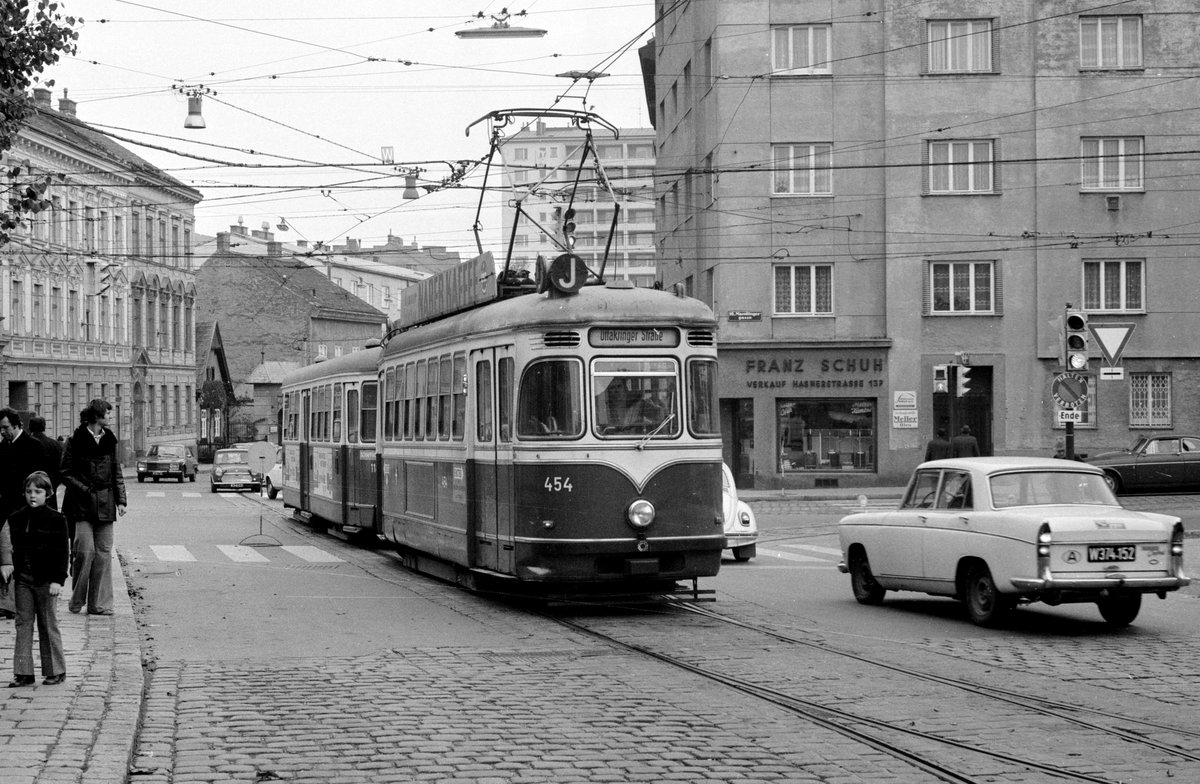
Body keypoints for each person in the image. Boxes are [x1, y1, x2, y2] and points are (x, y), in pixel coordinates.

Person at [0, 471, 70, 687]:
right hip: (23, 580)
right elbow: (8, 544)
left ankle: (55, 670)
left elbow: (62, 552)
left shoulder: (57, 520)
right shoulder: (16, 518)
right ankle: (23, 672)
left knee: (48, 624)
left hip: (47, 581)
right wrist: (7, 565)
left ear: (47, 494)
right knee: (23, 624)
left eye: (38, 492)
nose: (33, 495)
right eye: (29, 491)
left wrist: (58, 579)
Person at [60, 399, 127, 616]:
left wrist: (122, 501)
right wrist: (85, 489)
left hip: (106, 503)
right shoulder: (75, 440)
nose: (110, 416)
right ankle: (77, 599)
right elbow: (65, 472)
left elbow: (116, 472)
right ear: (97, 416)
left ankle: (99, 604)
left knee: (104, 554)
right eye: (107, 413)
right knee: (84, 552)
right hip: (81, 504)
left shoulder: (110, 441)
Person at [0, 408, 56, 619]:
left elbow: (44, 480)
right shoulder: (2, 448)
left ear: (17, 425)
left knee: (23, 553)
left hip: (27, 509)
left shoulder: (34, 447)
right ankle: (7, 602)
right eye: (1, 428)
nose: (3, 432)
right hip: (6, 509)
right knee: (6, 552)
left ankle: (21, 601)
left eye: (6, 427)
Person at [28, 416, 63, 510]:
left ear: (30, 427)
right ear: (44, 427)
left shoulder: (26, 444)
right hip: (50, 484)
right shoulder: (54, 444)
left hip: (31, 485)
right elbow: (61, 466)